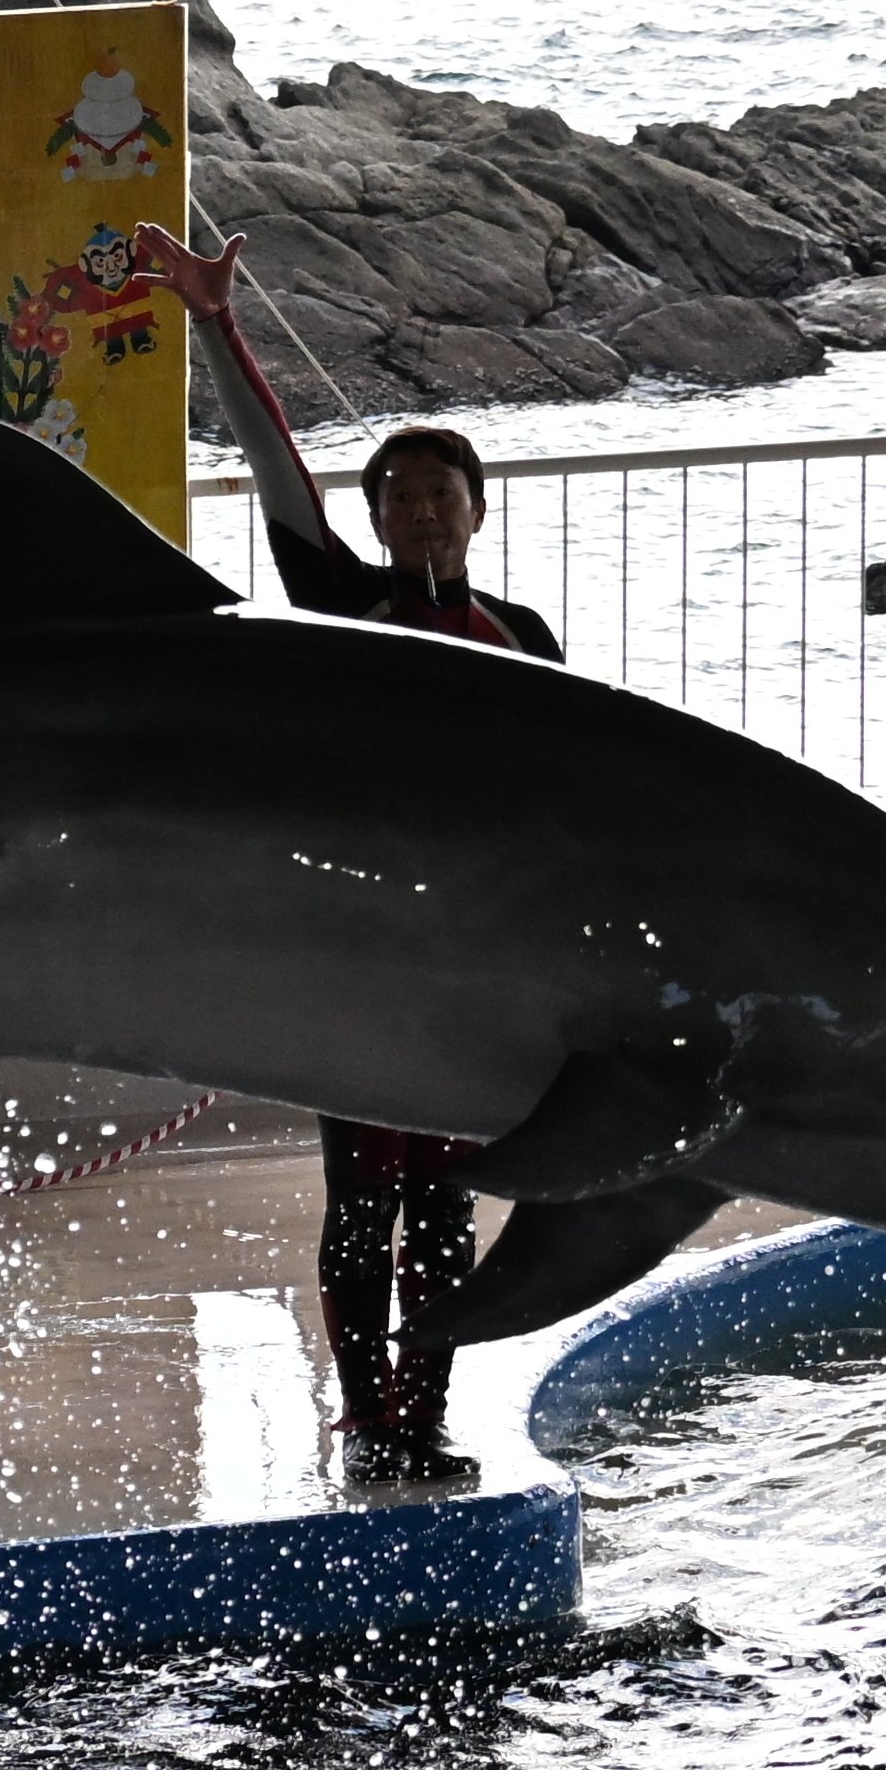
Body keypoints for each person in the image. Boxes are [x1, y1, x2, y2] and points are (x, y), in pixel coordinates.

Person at [137, 218, 565, 1483]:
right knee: (364, 1198)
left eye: (441, 493)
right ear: (375, 519)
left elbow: (562, 803)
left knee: (445, 1201)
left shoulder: (529, 638)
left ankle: (422, 1417)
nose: (422, 510)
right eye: (400, 496)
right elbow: (278, 474)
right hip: (360, 956)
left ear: (477, 511)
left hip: (472, 964)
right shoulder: (343, 605)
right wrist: (218, 323)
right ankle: (369, 1421)